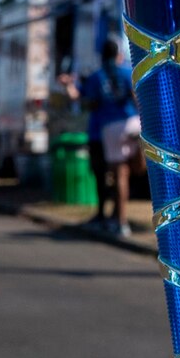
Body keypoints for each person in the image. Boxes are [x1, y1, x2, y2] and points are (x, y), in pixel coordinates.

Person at [64, 37, 141, 237]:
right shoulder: (127, 72)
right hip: (132, 122)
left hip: (110, 128)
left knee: (118, 174)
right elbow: (136, 96)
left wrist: (70, 85)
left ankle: (120, 222)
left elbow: (85, 101)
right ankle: (118, 215)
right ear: (119, 54)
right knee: (134, 169)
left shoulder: (97, 76)